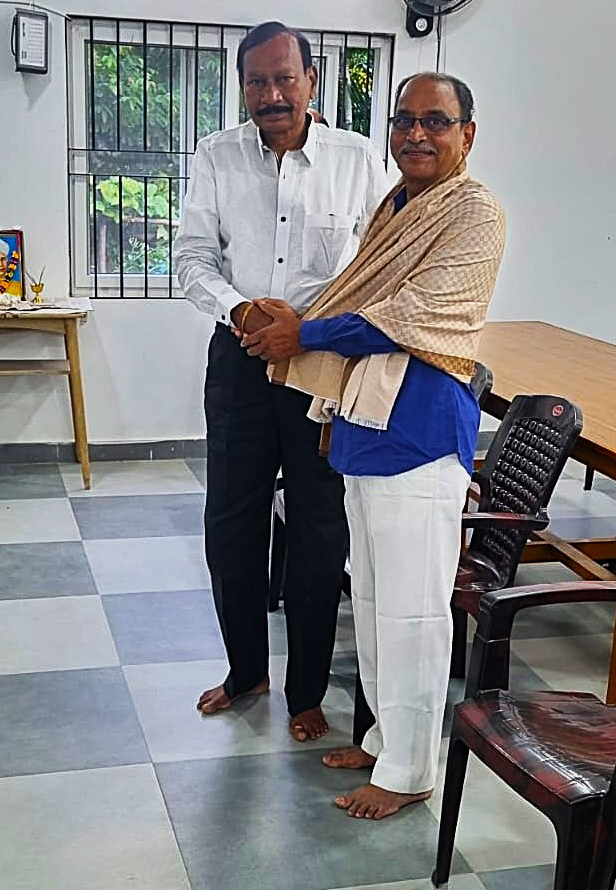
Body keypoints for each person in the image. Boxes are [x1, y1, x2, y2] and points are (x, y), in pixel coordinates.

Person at [240, 72, 505, 816]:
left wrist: (302, 334)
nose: (416, 134)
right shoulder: (395, 204)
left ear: (466, 134)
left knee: (415, 612)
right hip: (363, 425)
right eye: (404, 120)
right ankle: (386, 739)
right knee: (377, 601)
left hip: (421, 432)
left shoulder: (475, 211)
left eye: (435, 122)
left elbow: (411, 314)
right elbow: (361, 297)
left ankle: (410, 772)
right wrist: (325, 395)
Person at [173, 21, 389, 741]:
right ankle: (245, 672)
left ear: (311, 81)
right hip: (239, 357)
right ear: (241, 86)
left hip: (320, 364)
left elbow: (379, 266)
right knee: (230, 523)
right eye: (257, 81)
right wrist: (241, 309)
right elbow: (192, 258)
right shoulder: (216, 156)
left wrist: (309, 327)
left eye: (284, 78)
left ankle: (305, 692)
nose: (271, 94)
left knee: (319, 527)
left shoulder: (358, 161)